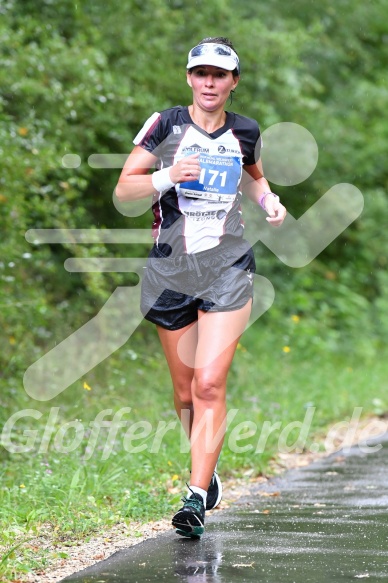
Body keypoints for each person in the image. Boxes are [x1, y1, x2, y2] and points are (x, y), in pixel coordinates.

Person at [115, 36, 287, 538]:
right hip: (170, 270)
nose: (209, 82)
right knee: (186, 393)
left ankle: (194, 499)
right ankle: (205, 468)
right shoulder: (165, 125)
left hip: (228, 267)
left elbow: (255, 178)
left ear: (233, 82)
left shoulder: (246, 131)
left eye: (220, 74)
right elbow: (124, 190)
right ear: (190, 78)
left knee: (210, 383)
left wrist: (269, 201)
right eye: (201, 73)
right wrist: (167, 175)